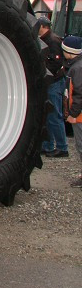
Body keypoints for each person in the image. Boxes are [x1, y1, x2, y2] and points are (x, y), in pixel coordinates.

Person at [37, 15, 68, 158]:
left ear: (44, 27)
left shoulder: (53, 41)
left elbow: (56, 63)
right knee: (48, 114)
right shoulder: (45, 40)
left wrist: (42, 72)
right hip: (51, 82)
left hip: (55, 82)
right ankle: (48, 146)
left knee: (55, 115)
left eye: (38, 26)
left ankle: (62, 147)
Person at [62, 35, 82, 188]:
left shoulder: (77, 68)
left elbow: (79, 93)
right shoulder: (76, 66)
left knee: (81, 146)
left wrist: (73, 114)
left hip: (79, 116)